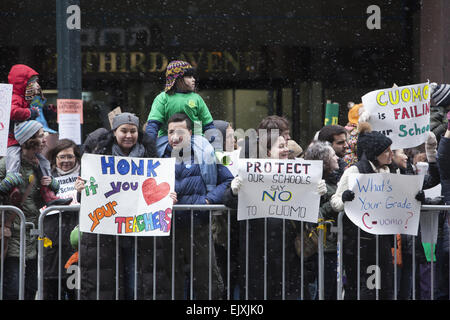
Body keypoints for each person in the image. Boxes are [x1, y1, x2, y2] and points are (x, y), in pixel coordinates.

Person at [224, 121, 326, 300]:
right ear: (268, 151)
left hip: (290, 254)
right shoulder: (251, 174)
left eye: (286, 145)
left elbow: (308, 212)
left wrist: (318, 193)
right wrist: (233, 190)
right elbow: (229, 202)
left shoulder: (299, 172)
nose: (287, 149)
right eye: (281, 146)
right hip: (258, 253)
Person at [330, 122, 425, 300]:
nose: (391, 154)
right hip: (358, 242)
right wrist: (346, 199)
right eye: (386, 151)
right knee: (361, 288)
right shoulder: (355, 171)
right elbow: (335, 201)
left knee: (385, 287)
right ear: (375, 153)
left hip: (382, 241)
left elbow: (402, 198)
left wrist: (417, 197)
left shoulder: (393, 171)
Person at [74, 112, 162, 300]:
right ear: (114, 132)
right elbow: (85, 198)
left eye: (133, 131)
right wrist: (81, 189)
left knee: (134, 285)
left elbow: (158, 192)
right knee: (108, 285)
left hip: (138, 234)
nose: (128, 135)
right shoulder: (97, 157)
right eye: (124, 131)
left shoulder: (150, 157)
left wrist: (168, 197)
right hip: (106, 234)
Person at [158, 113, 233, 299]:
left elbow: (229, 180)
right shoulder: (157, 155)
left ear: (190, 133)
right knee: (171, 282)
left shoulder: (206, 153)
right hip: (168, 229)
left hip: (198, 226)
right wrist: (161, 198)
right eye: (171, 132)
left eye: (180, 132)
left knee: (206, 281)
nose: (175, 137)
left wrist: (208, 200)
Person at [0, 120, 62, 299]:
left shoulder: (40, 165)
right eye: (41, 135)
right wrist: (4, 185)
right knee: (12, 288)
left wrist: (53, 185)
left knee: (30, 288)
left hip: (33, 235)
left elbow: (44, 198)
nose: (45, 139)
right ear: (29, 139)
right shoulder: (6, 164)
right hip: (11, 235)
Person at [2, 64, 69, 207]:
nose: (36, 85)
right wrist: (30, 113)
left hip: (30, 216)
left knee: (44, 162)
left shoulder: (25, 100)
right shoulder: (14, 97)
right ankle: (12, 187)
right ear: (22, 83)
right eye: (32, 81)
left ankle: (48, 193)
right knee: (13, 161)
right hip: (13, 140)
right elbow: (12, 112)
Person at [42, 139, 81, 300]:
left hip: (74, 241)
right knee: (51, 288)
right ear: (55, 159)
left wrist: (81, 192)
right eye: (62, 157)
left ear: (76, 158)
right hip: (51, 240)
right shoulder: (45, 176)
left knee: (75, 290)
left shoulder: (84, 177)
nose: (66, 161)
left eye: (70, 157)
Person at [303, 140, 340, 300]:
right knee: (324, 291)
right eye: (333, 155)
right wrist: (334, 204)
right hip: (323, 248)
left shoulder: (335, 180)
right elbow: (314, 213)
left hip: (333, 245)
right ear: (325, 161)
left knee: (331, 291)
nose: (337, 158)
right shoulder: (317, 183)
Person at [145, 60, 216, 143]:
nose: (193, 79)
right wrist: (149, 143)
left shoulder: (197, 99)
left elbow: (208, 125)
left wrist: (212, 140)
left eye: (193, 76)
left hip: (194, 139)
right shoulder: (162, 98)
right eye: (189, 77)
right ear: (178, 79)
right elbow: (153, 124)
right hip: (167, 139)